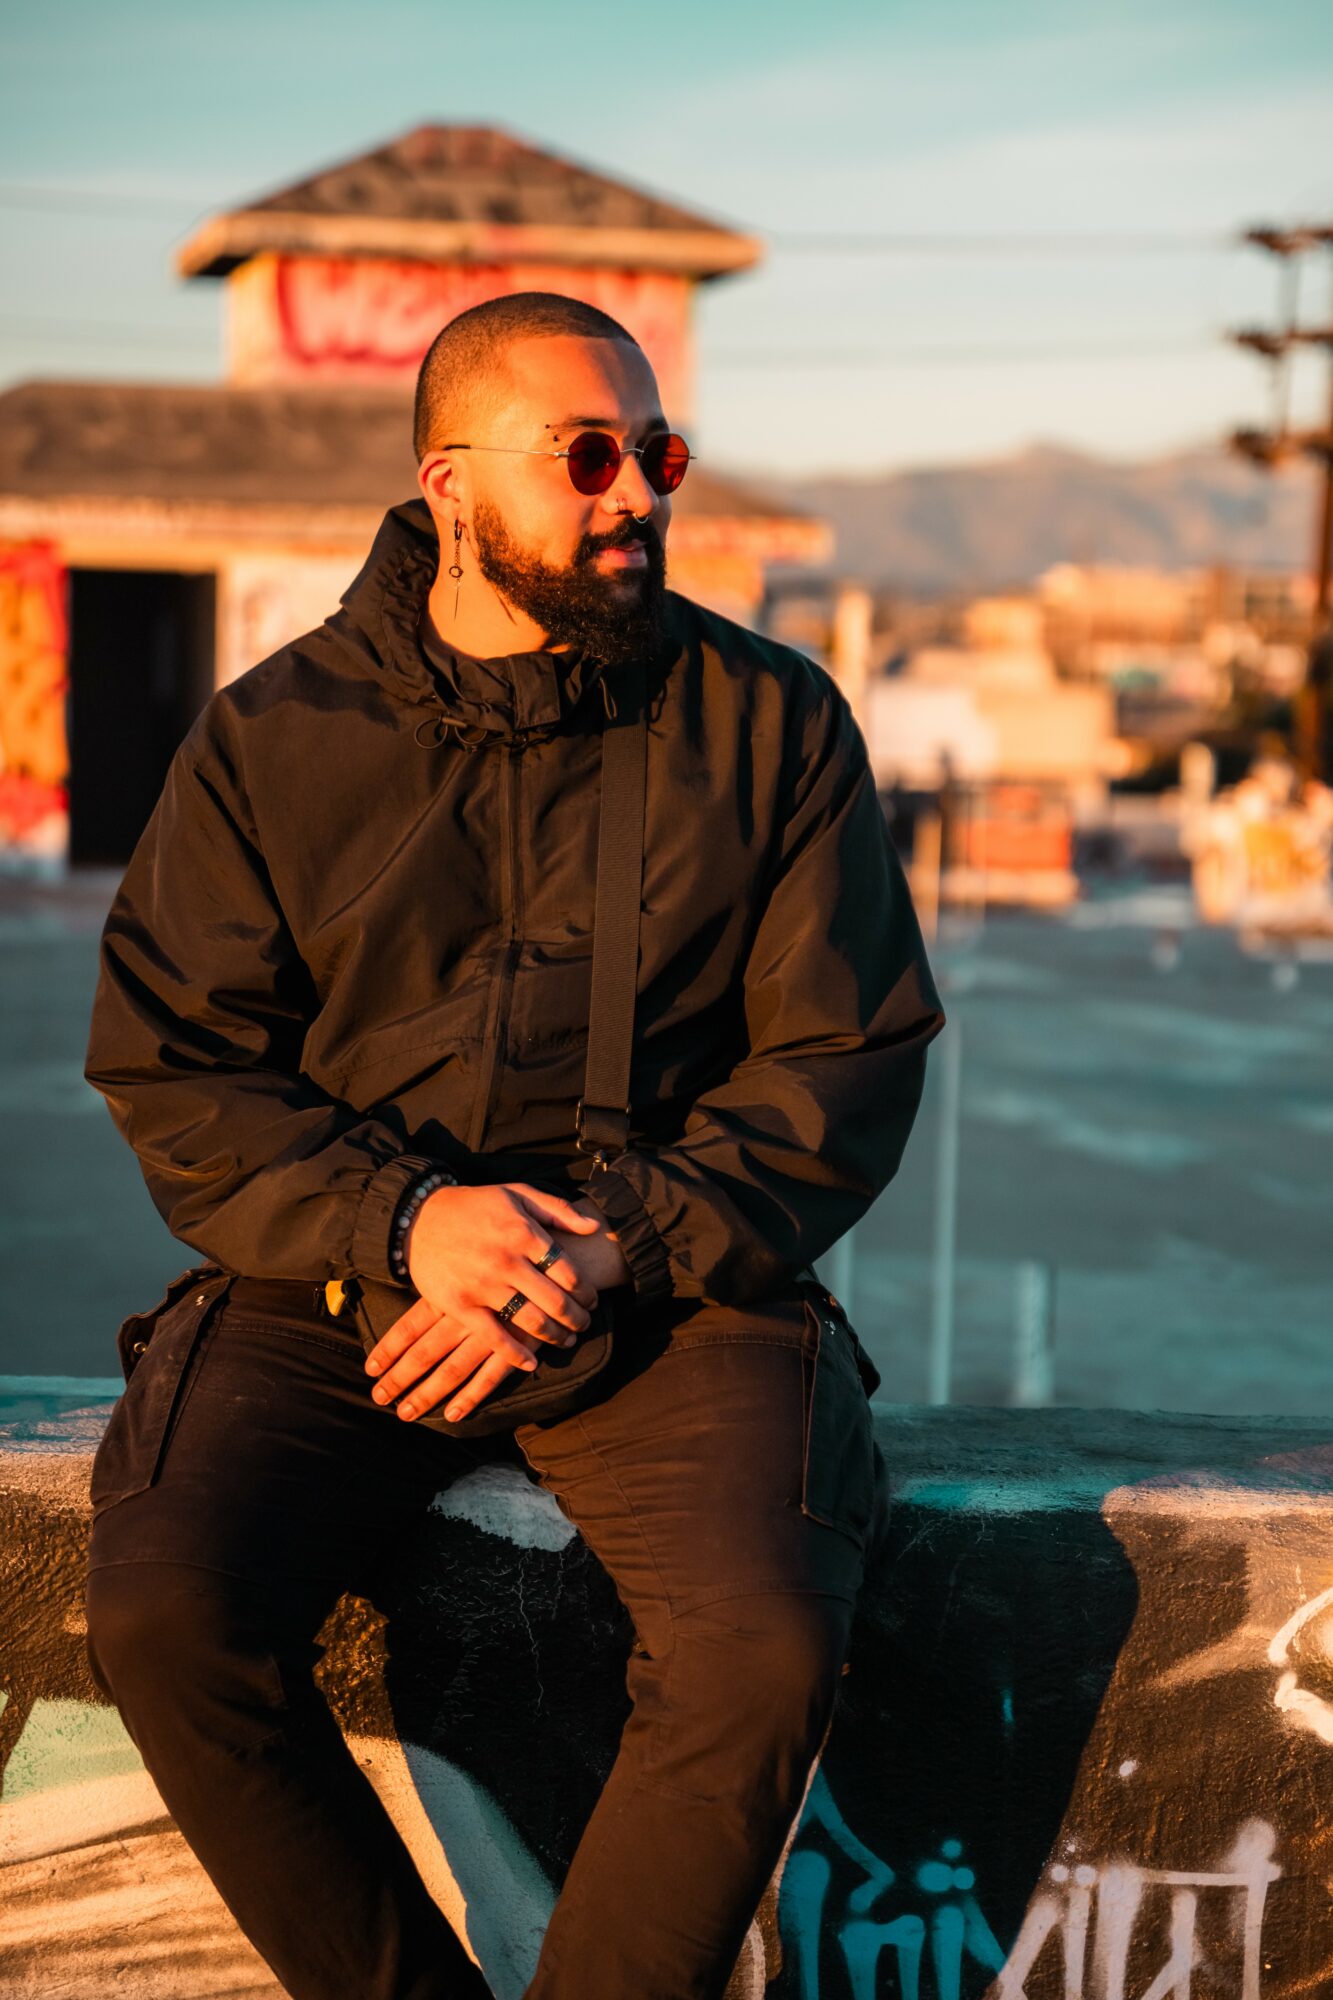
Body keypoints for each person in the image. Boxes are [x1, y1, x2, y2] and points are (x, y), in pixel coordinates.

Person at [82, 291, 944, 2000]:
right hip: (346, 1284)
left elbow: (838, 1059)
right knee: (172, 1618)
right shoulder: (274, 738)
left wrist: (602, 1239)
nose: (639, 492)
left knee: (762, 1646)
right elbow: (178, 1069)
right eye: (589, 456)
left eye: (660, 453)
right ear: (450, 479)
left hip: (680, 1278)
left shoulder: (768, 722)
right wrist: (406, 1222)